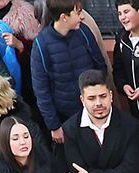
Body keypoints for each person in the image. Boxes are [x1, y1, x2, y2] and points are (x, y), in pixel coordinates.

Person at [30, 0, 108, 133]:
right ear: (64, 17)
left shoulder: (84, 32)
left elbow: (100, 66)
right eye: (77, 13)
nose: (82, 17)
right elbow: (41, 90)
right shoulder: (41, 44)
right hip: (66, 117)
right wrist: (54, 126)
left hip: (94, 111)